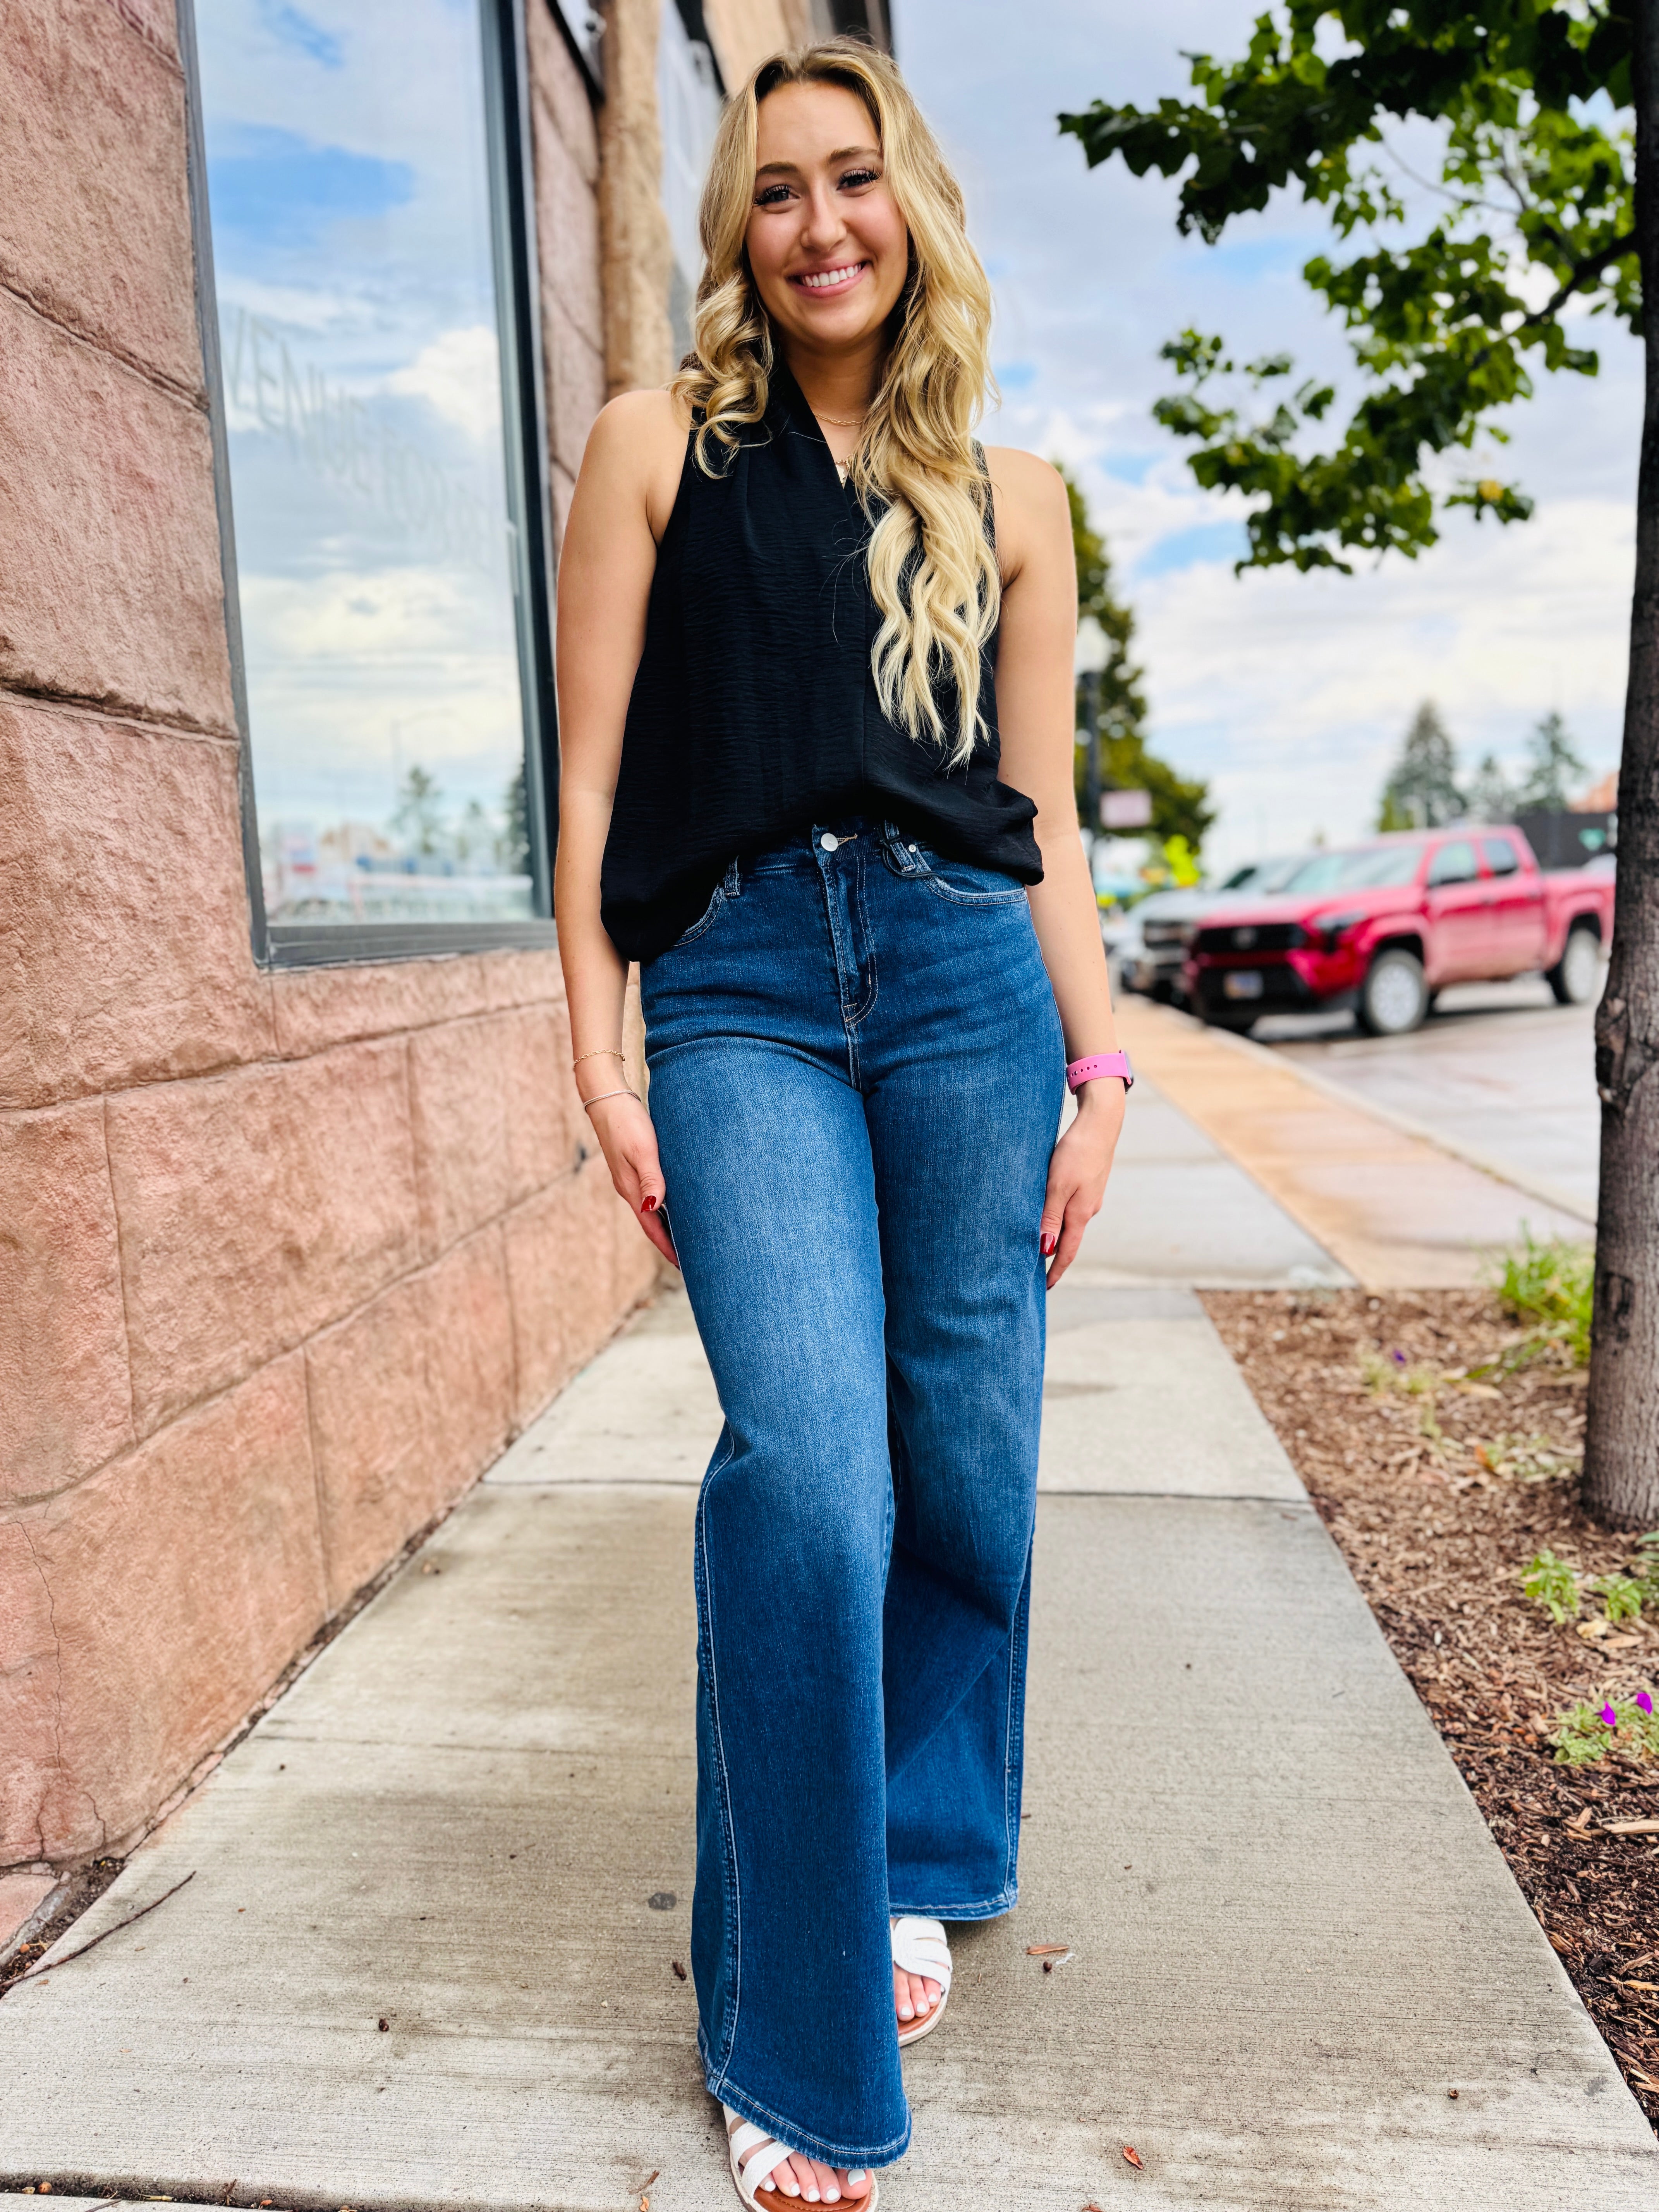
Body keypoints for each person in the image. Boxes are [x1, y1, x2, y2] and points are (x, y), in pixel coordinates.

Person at [554, 37, 1128, 2209]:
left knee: (968, 1450)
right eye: (779, 186)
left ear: (916, 209)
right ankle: (791, 2038)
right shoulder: (653, 447)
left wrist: (1102, 1073)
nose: (822, 224)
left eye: (856, 177)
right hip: (740, 990)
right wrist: (596, 1049)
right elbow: (590, 777)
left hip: (973, 987)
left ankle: (915, 1846)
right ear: (740, 224)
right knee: (811, 1472)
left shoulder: (1014, 496)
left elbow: (1043, 823)